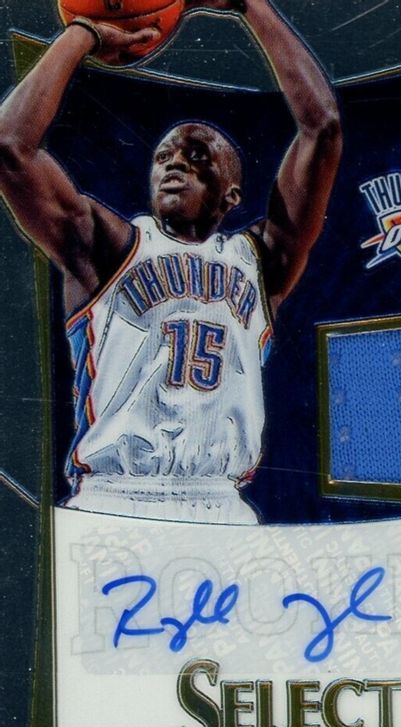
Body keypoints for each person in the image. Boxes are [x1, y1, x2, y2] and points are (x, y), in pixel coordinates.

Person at [0, 0, 342, 524]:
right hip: (116, 499)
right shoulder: (110, 246)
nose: (175, 164)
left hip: (223, 505)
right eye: (163, 157)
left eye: (197, 157)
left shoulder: (260, 261)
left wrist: (249, 5)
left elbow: (323, 127)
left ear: (230, 195)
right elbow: (9, 146)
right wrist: (84, 34)